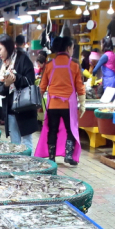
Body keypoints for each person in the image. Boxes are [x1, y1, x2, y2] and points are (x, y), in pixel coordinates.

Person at [35, 35, 85, 165]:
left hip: (52, 106)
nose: (72, 50)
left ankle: (51, 157)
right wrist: (83, 104)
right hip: (68, 105)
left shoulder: (50, 65)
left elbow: (42, 87)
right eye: (72, 48)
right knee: (70, 130)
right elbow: (80, 87)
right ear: (68, 48)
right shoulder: (74, 65)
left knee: (52, 130)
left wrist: (37, 104)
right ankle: (68, 155)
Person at [0, 34, 39, 149]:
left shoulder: (23, 59)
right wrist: (6, 84)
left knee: (26, 142)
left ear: (8, 46)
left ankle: (29, 166)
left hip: (25, 108)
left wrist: (16, 77)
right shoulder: (3, 64)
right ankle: (18, 166)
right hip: (10, 109)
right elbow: (0, 89)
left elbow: (30, 81)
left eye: (0, 50)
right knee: (15, 144)